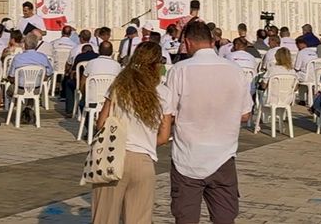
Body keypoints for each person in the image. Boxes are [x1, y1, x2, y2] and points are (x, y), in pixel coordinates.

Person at [162, 21, 251, 224]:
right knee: (225, 218)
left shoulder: (179, 70)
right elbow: (245, 114)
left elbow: (170, 113)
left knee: (186, 217)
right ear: (213, 41)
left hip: (188, 157)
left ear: (187, 42)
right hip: (223, 156)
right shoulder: (235, 70)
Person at [91, 42, 170, 224]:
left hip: (113, 156)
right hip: (144, 160)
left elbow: (101, 123)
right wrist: (147, 141)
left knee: (104, 218)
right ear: (157, 64)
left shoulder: (119, 86)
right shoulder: (164, 93)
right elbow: (164, 137)